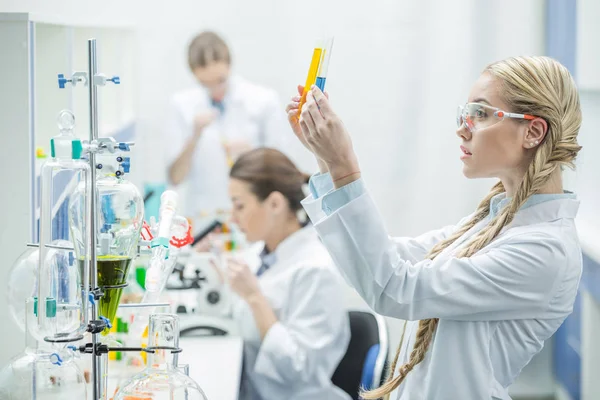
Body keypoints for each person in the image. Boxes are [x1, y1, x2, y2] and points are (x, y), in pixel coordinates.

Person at [286, 56, 583, 400]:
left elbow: (397, 287)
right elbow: (389, 259)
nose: (463, 127)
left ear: (533, 132)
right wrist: (325, 158)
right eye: (466, 113)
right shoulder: (491, 222)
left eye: (481, 113)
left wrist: (344, 165)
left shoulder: (545, 249)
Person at [209, 148, 351, 400]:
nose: (232, 218)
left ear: (274, 203)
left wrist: (255, 298)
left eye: (239, 206)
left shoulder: (315, 270)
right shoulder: (258, 254)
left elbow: (300, 369)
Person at [165, 31, 289, 223]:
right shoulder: (181, 105)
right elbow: (175, 178)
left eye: (220, 81)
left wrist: (253, 154)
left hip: (252, 215)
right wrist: (195, 136)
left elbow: (282, 167)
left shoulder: (263, 100)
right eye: (205, 84)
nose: (215, 91)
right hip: (203, 219)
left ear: (229, 65)